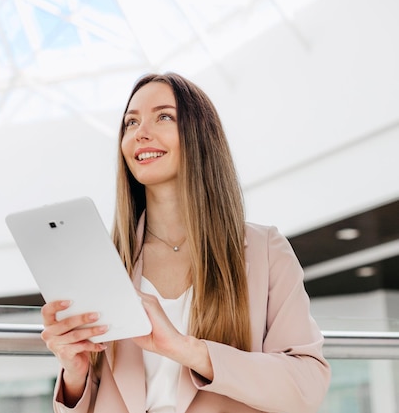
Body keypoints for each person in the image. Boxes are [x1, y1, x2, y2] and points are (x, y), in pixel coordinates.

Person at [41, 72, 331, 413]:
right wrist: (75, 375)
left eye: (163, 116)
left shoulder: (265, 250)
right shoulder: (106, 261)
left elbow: (308, 384)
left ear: (200, 135)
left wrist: (185, 349)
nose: (140, 133)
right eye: (130, 122)